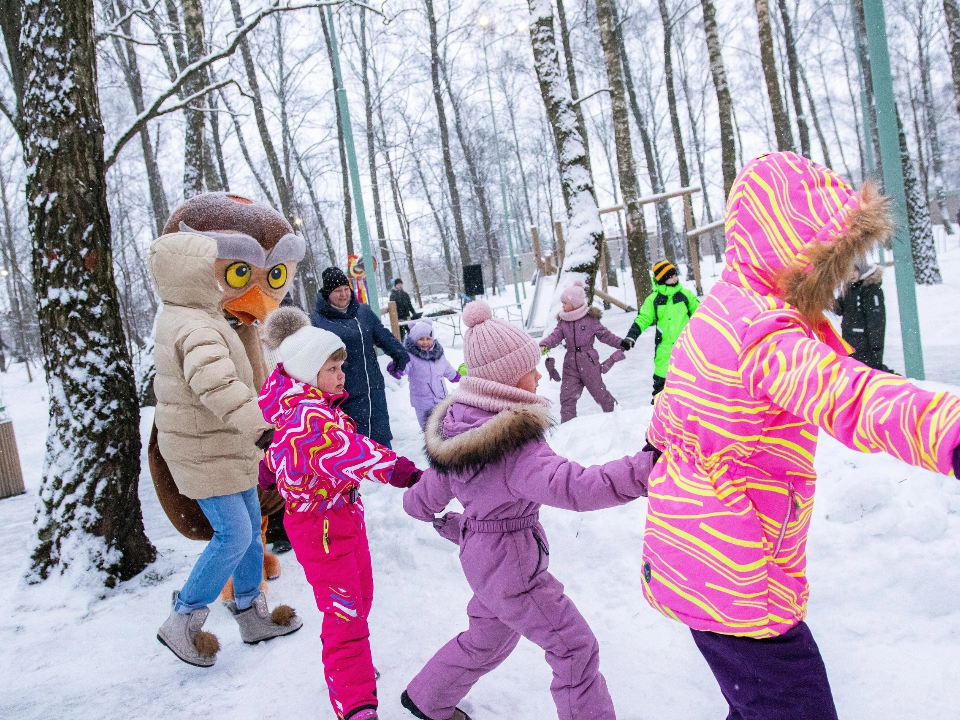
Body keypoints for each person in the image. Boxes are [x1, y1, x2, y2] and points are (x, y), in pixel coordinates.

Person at [640, 152, 960, 719]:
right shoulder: (765, 334)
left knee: (757, 704)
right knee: (795, 706)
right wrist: (948, 430)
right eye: (829, 262)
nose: (837, 282)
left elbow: (670, 415)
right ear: (794, 253)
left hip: (688, 556)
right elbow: (847, 393)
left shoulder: (718, 311)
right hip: (738, 571)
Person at [400, 301, 659, 720]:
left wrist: (455, 522)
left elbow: (422, 498)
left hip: (481, 559)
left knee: (487, 637)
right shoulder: (513, 445)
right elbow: (574, 486)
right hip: (512, 565)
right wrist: (644, 470)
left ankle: (428, 697)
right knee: (574, 647)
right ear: (505, 378)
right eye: (531, 368)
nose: (539, 376)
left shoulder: (458, 430)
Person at [260, 307, 422, 720]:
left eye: (340, 366)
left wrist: (270, 471)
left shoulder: (307, 407)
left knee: (359, 597)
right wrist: (402, 472)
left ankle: (352, 666)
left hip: (342, 517)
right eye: (330, 367)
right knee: (344, 612)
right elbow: (351, 452)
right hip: (321, 527)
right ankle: (355, 702)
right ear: (306, 371)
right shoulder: (309, 417)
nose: (340, 374)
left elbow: (278, 453)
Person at [151, 230, 302, 669]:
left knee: (251, 527)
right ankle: (183, 619)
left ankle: (251, 613)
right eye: (209, 268)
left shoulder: (197, 314)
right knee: (234, 535)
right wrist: (260, 428)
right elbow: (217, 385)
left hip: (219, 447)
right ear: (190, 273)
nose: (219, 277)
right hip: (204, 452)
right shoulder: (194, 325)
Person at [311, 267, 410, 448]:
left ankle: (386, 472)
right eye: (337, 291)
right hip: (343, 391)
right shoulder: (317, 320)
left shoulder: (363, 312)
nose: (343, 295)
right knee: (354, 444)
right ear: (327, 294)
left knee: (381, 439)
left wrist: (400, 354)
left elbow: (382, 335)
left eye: (346, 289)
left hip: (373, 388)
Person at [538, 279, 626, 423]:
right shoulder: (563, 322)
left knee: (600, 394)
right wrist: (544, 346)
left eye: (565, 303)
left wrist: (620, 343)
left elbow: (605, 335)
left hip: (589, 362)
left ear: (574, 304)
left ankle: (619, 417)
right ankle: (568, 425)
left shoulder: (590, 320)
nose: (562, 306)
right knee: (567, 397)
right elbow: (555, 337)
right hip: (570, 363)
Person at [620, 260, 700, 401]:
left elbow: (701, 315)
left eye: (675, 275)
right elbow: (643, 319)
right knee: (662, 381)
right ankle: (659, 406)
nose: (674, 278)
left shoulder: (686, 295)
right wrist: (631, 337)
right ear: (662, 279)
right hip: (664, 349)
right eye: (670, 276)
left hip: (687, 346)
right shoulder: (654, 300)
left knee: (691, 380)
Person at [387, 319, 461, 430]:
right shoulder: (410, 357)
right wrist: (397, 367)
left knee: (445, 425)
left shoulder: (439, 355)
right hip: (422, 403)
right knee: (428, 429)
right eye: (421, 339)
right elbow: (405, 366)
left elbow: (446, 367)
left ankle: (444, 444)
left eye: (428, 339)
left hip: (441, 399)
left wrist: (455, 376)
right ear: (414, 340)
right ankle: (431, 445)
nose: (425, 342)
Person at [835, 261, 894, 372]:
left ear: (862, 270)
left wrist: (876, 347)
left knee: (866, 372)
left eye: (855, 270)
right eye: (848, 271)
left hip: (864, 343)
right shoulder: (850, 288)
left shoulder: (871, 289)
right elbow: (839, 309)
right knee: (854, 372)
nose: (851, 274)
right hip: (849, 340)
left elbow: (876, 320)